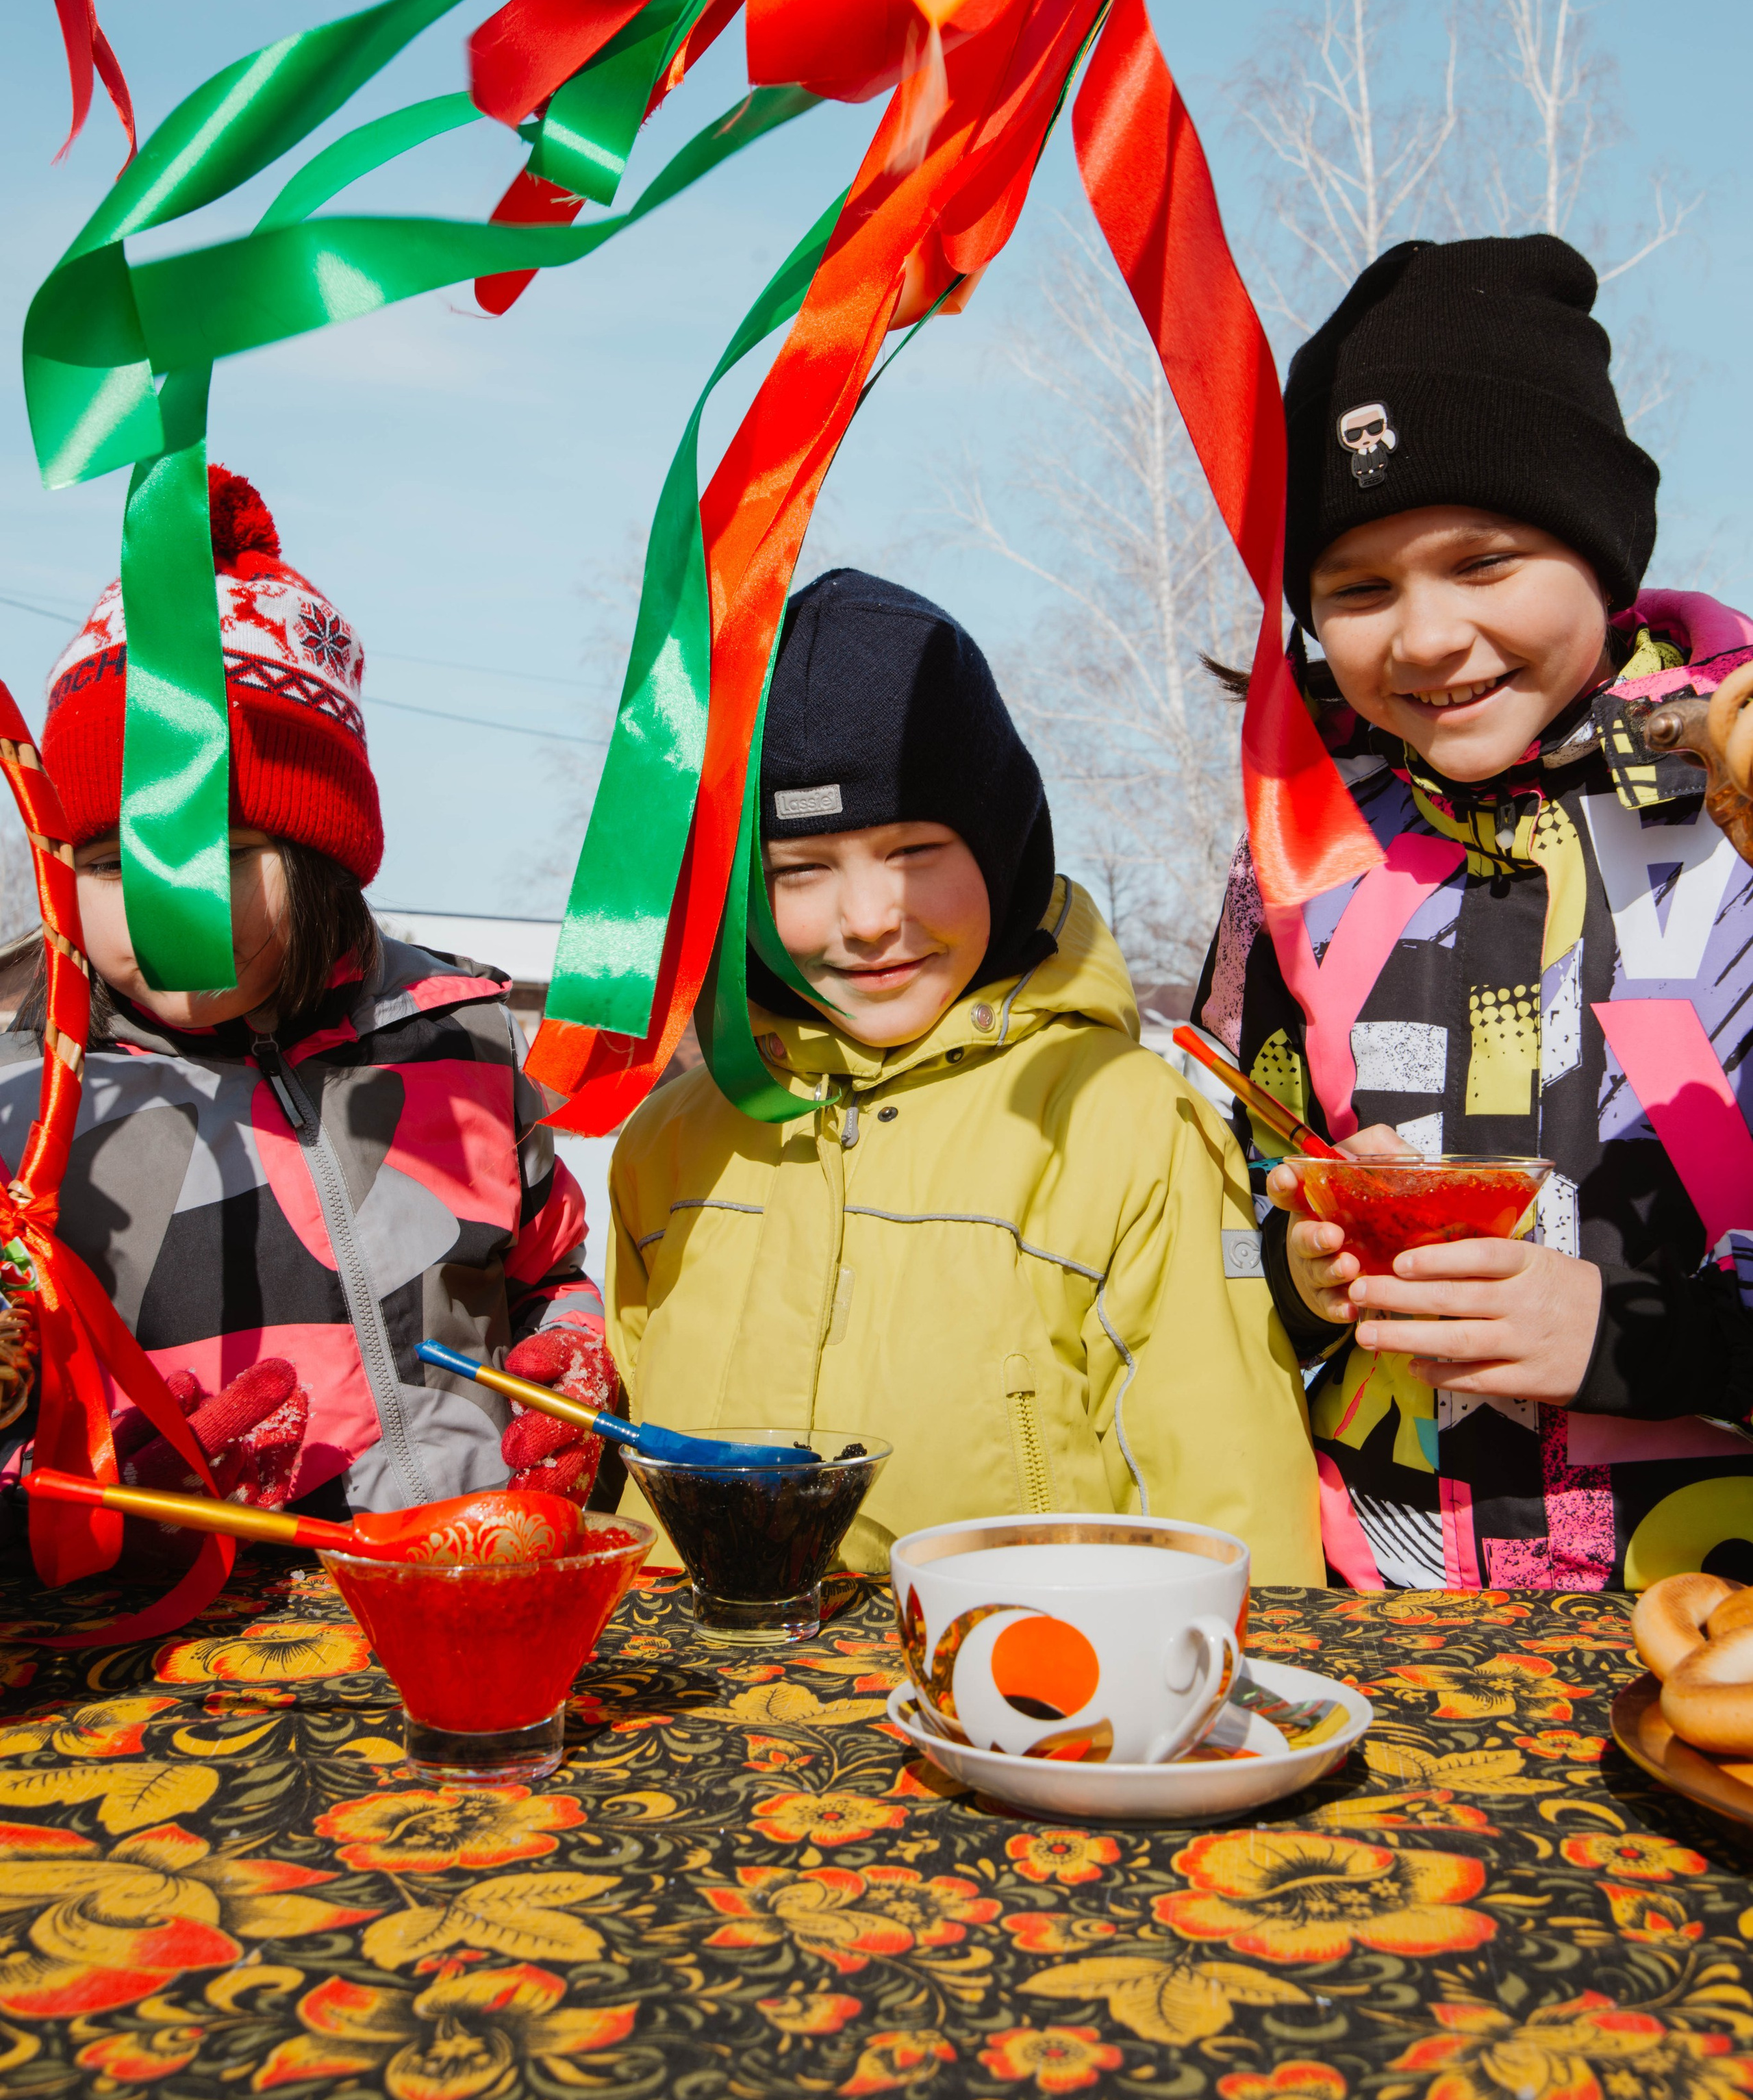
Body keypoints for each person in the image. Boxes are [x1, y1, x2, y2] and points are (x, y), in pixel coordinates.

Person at [1194, 234, 1753, 1593]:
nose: (1427, 636)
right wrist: (1297, 1260)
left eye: (1483, 559)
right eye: (1360, 589)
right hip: (1383, 1596)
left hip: (1708, 1611)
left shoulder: (1735, 812)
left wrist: (1632, 1339)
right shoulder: (1298, 855)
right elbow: (1213, 1194)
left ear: (1599, 547)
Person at [605, 568, 1323, 1581]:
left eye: (914, 850)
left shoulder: (1122, 1125)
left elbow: (1226, 1487)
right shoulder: (672, 1141)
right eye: (800, 869)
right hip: (709, 1721)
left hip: (1028, 1706)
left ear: (1001, 843)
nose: (866, 919)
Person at [1, 468, 609, 1524]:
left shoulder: (454, 1036)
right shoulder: (29, 1110)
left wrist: (573, 1357)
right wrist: (96, 1495)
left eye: (225, 851)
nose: (164, 910)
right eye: (110, 864)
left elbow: (543, 1271)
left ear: (323, 848)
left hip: (463, 1578)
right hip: (179, 1648)